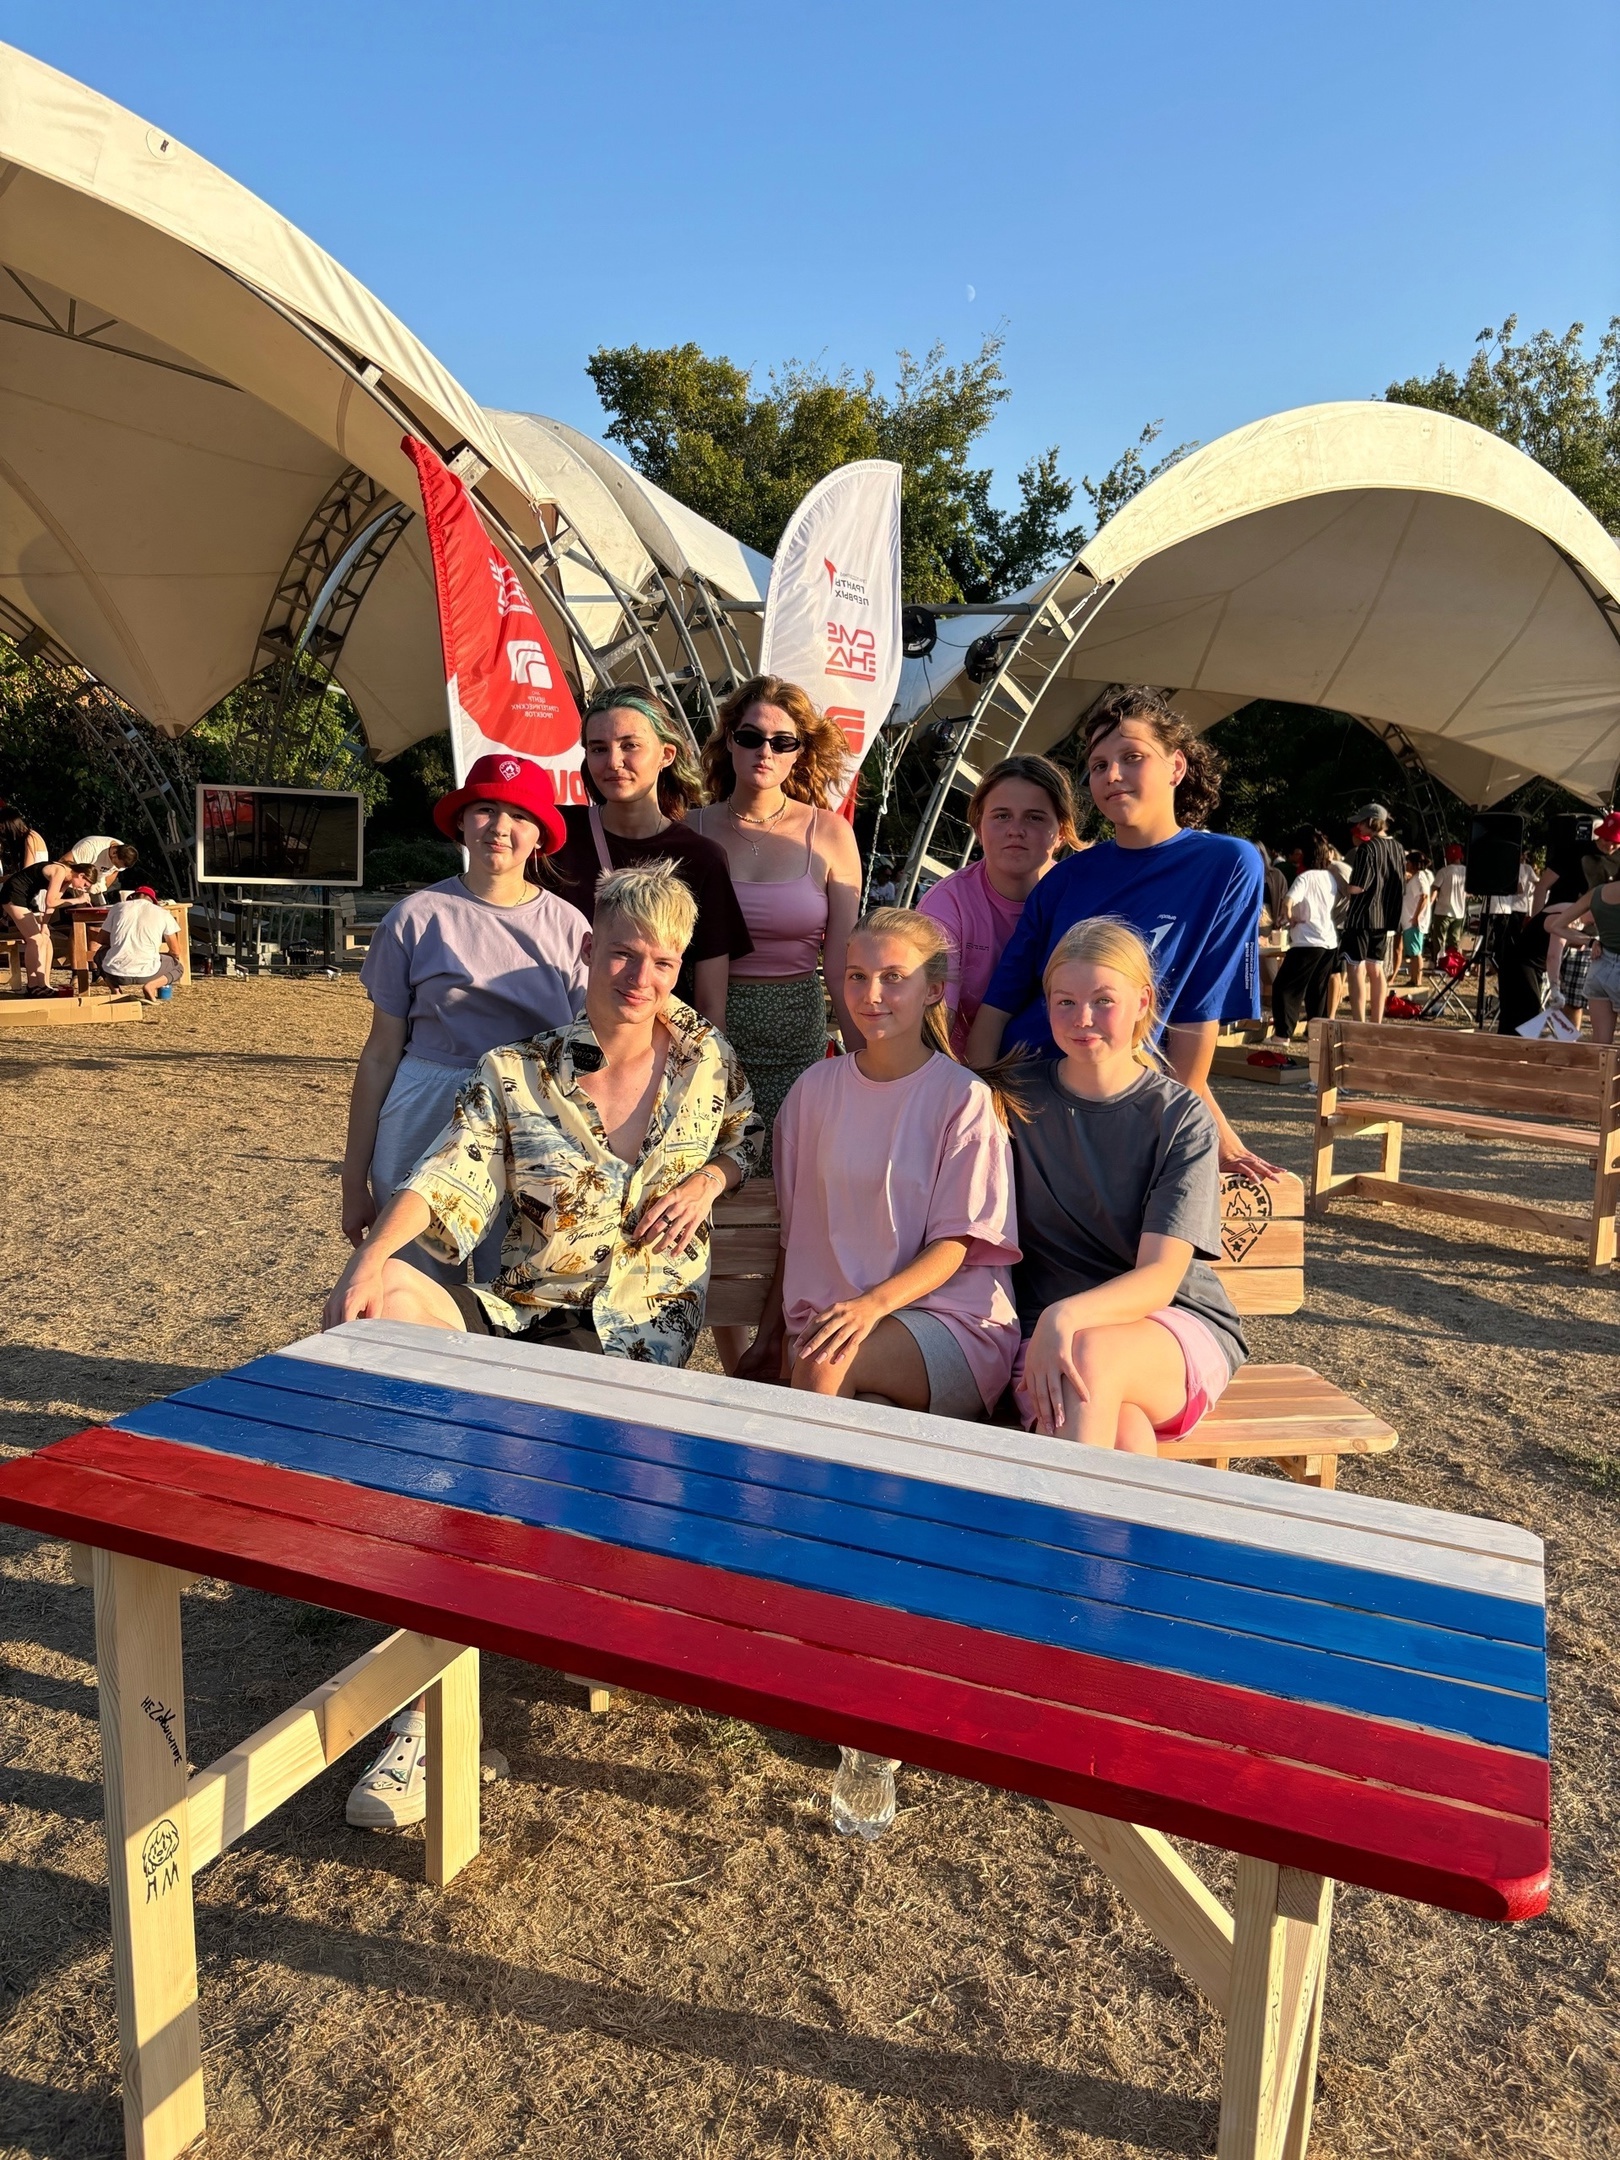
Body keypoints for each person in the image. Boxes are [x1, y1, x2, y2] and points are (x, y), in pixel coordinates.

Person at [327, 862, 761, 1828]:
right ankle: (433, 1687)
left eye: (661, 961)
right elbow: (448, 1178)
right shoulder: (516, 1070)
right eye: (623, 954)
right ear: (589, 950)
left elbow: (747, 1132)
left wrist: (712, 1181)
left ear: (680, 965)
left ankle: (425, 1715)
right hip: (527, 1317)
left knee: (487, 1459)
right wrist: (372, 1258)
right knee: (383, 1304)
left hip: (633, 1342)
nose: (640, 978)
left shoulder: (706, 1059)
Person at [965, 685, 1274, 1179]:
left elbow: (1197, 1014)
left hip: (1127, 1100)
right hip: (1031, 1097)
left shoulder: (1227, 865)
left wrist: (1194, 1131)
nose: (1112, 775)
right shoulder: (1064, 879)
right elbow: (998, 1009)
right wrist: (984, 1113)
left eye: (1132, 757)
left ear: (1176, 766)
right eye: (1098, 765)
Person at [737, 908, 1019, 1420]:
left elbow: (957, 1243)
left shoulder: (964, 1098)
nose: (871, 995)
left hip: (948, 1323)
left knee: (826, 1362)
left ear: (933, 990)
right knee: (865, 1410)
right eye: (857, 976)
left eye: (893, 978)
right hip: (833, 1325)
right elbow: (796, 1234)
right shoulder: (813, 1090)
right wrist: (769, 1336)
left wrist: (871, 1307)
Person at [341, 754, 588, 1287]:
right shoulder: (413, 917)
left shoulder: (571, 928)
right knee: (415, 1284)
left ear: (541, 836)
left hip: (528, 1107)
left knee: (513, 1286)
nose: (500, 827)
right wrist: (352, 1179)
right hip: (426, 1101)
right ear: (460, 821)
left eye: (520, 815)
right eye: (485, 809)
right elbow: (381, 1052)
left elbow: (586, 1054)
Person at [1009, 917, 1247, 1448]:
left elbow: (1160, 1278)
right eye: (1065, 1001)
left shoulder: (1180, 1117)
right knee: (1126, 1436)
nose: (1082, 1018)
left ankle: (1055, 1509)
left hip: (1169, 1326)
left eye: (1103, 1000)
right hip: (1045, 1336)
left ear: (1143, 1002)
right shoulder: (1011, 1100)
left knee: (1092, 1355)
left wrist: (1065, 1315)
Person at [691, 675, 865, 1167]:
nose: (764, 751)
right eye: (750, 737)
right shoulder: (690, 829)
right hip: (702, 1025)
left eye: (782, 741)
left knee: (792, 1169)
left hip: (795, 1031)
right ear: (730, 741)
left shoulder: (831, 834)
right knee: (707, 1171)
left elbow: (843, 963)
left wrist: (865, 1066)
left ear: (799, 751)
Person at [543, 689, 751, 1027]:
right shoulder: (555, 835)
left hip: (652, 1047)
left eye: (630, 745)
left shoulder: (701, 858)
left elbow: (710, 1004)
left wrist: (709, 1059)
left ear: (666, 754)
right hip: (553, 1040)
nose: (613, 762)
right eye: (598, 748)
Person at [917, 753, 1079, 1055]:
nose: (1015, 829)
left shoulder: (1080, 899)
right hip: (963, 1067)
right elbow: (936, 1019)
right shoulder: (946, 904)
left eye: (1034, 817)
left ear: (1061, 832)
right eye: (1002, 816)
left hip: (1058, 1066)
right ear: (978, 828)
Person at [1545, 828, 1620, 1046]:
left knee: (1600, 1045)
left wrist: (1589, 941)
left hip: (1600, 967)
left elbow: (1555, 925)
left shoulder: (1597, 893)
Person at [1268, 829, 1340, 1040]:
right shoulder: (1329, 877)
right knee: (1317, 991)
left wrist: (1289, 917)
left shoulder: (1305, 878)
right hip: (1328, 941)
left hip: (1307, 941)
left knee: (1285, 988)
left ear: (1304, 855)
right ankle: (1318, 1035)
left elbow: (1288, 901)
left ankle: (1283, 1034)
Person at [1340, 803, 1406, 1024]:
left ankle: (1359, 1022)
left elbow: (1358, 886)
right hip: (1385, 918)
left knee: (1355, 967)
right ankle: (1376, 1022)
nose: (1358, 827)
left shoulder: (1367, 849)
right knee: (1376, 968)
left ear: (1370, 822)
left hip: (1362, 917)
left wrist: (1342, 885)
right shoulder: (1398, 848)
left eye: (1361, 822)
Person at [0, 847, 92, 996]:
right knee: (35, 939)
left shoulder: (67, 880)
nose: (83, 889)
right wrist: (77, 900)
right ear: (81, 875)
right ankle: (32, 985)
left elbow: (52, 905)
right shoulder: (60, 871)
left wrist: (44, 925)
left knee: (46, 939)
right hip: (14, 894)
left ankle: (44, 984)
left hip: (26, 898)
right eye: (85, 885)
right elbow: (50, 901)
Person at [92, 885, 184, 998]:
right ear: (154, 901)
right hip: (149, 973)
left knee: (99, 955)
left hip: (115, 974)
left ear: (132, 897)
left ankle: (115, 991)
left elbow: (101, 939)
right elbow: (175, 951)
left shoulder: (118, 908)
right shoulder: (163, 913)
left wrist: (120, 944)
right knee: (178, 968)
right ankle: (152, 986)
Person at [1398, 850, 1436, 989]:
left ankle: (1417, 980)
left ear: (1413, 864)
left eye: (1408, 862)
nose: (1406, 865)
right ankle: (1413, 978)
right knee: (1413, 953)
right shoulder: (1415, 877)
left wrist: (1416, 917)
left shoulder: (1419, 877)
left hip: (1413, 922)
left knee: (1416, 953)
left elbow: (1424, 896)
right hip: (1409, 920)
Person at [69, 834, 138, 897]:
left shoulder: (124, 858)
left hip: (96, 881)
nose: (116, 867)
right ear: (114, 853)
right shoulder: (90, 848)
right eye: (115, 864)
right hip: (75, 876)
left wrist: (103, 888)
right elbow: (65, 862)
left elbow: (115, 871)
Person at [1431, 842, 1468, 959]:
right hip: (1459, 913)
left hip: (1442, 911)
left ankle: (1438, 962)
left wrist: (1431, 902)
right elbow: (1470, 892)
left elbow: (1434, 888)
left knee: (1439, 941)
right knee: (1455, 941)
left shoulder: (1444, 871)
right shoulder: (1467, 872)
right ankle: (1454, 963)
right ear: (1461, 856)